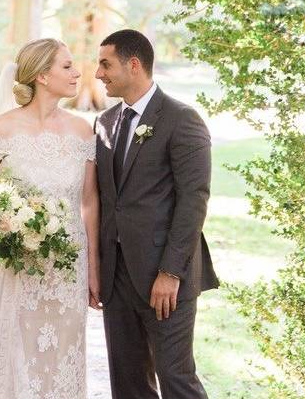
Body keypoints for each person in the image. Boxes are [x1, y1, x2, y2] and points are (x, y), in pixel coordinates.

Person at [0, 38, 100, 398]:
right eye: (67, 66)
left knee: (63, 358)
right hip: (17, 267)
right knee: (17, 354)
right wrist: (11, 226)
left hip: (68, 268)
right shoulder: (0, 130)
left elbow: (89, 202)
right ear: (43, 75)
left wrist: (94, 267)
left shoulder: (82, 132)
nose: (77, 74)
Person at [93, 29, 219, 398]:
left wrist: (170, 272)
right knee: (128, 382)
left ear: (134, 65)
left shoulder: (182, 119)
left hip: (165, 279)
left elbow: (194, 200)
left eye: (106, 64)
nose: (99, 73)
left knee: (176, 378)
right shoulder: (104, 123)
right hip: (116, 277)